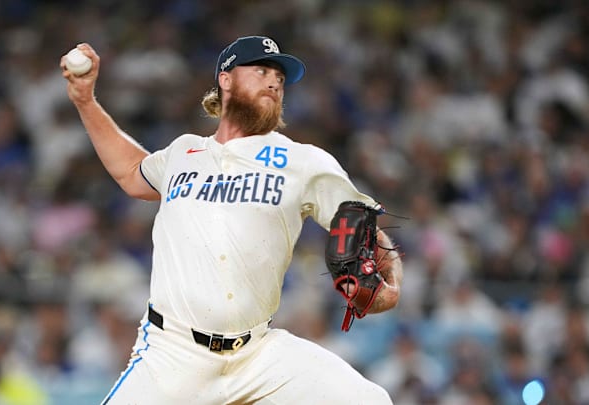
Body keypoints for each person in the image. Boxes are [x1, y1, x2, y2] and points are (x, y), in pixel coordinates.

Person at [61, 35, 403, 405]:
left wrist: (392, 280)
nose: (274, 81)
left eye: (280, 77)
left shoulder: (303, 161)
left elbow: (363, 225)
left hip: (258, 355)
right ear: (226, 79)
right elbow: (130, 171)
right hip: (173, 355)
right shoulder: (183, 152)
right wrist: (85, 101)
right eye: (261, 70)